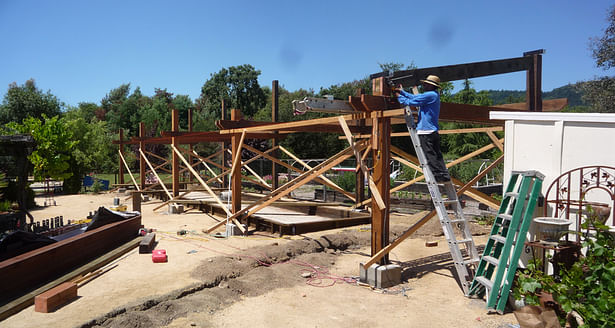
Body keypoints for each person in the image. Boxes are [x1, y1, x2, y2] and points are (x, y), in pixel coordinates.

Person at [393, 75, 451, 183]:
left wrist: (399, 96)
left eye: (426, 84)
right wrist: (402, 92)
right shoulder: (433, 95)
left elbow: (412, 101)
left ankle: (438, 176)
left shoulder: (430, 95)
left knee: (430, 155)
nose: (423, 85)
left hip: (426, 131)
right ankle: (444, 175)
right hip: (432, 130)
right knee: (437, 155)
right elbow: (416, 97)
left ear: (431, 85)